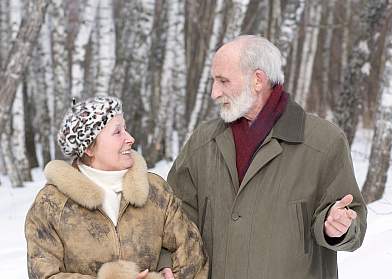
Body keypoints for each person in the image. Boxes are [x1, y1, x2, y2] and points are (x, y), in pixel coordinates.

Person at [166, 35, 367, 278]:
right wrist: (166, 263)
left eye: (223, 81)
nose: (214, 93)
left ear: (258, 80)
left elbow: (353, 221)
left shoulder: (323, 142)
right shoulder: (203, 142)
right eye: (213, 81)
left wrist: (337, 227)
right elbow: (173, 218)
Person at [25, 96, 208, 279]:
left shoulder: (156, 190)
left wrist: (170, 275)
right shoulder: (51, 204)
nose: (130, 138)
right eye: (117, 132)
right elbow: (44, 275)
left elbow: (192, 252)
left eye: (125, 129)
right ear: (88, 147)